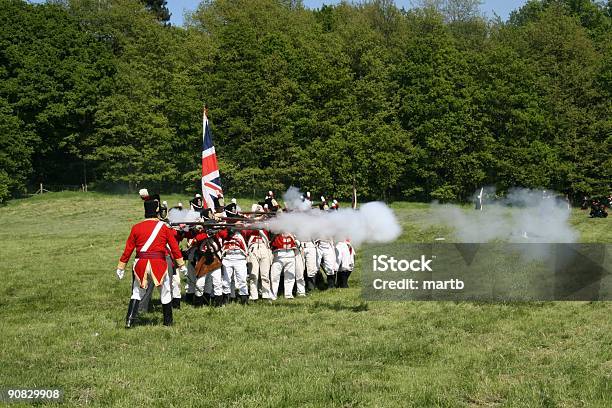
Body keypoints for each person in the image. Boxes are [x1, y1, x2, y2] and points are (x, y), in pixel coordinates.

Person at [116, 199, 188, 328]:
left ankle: (129, 321)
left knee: (136, 293)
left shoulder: (136, 227)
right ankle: (168, 322)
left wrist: (121, 266)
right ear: (157, 211)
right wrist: (181, 265)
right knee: (165, 292)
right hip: (158, 264)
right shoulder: (164, 227)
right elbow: (174, 247)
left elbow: (128, 249)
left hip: (140, 264)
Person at [217, 228, 250, 304]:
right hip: (227, 257)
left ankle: (244, 299)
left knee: (242, 280)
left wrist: (240, 225)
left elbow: (248, 231)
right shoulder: (225, 230)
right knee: (226, 280)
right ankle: (226, 299)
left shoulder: (242, 231)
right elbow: (221, 233)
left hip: (240, 257)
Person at [246, 228, 273, 301]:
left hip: (264, 247)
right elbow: (247, 232)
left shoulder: (266, 221)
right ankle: (253, 296)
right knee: (253, 275)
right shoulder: (250, 222)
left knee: (265, 275)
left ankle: (266, 295)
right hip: (253, 247)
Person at [270, 232, 298, 299]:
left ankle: (288, 295)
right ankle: (273, 295)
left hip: (290, 252)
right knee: (274, 276)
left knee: (290, 276)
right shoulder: (275, 227)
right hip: (278, 252)